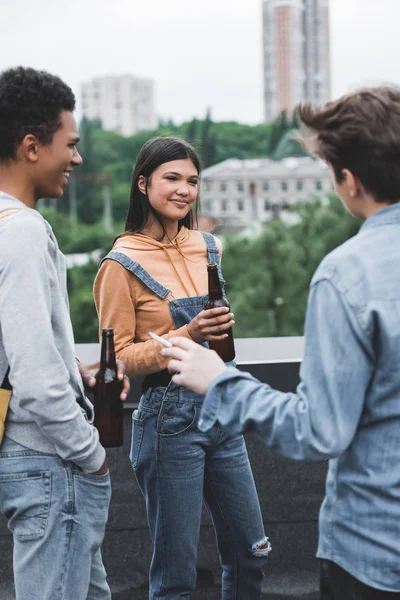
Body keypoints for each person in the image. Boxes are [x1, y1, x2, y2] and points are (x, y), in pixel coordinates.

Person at [160, 87, 400, 599]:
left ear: (349, 181)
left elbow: (319, 431)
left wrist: (222, 383)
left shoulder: (349, 273)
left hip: (377, 554)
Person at [94, 136, 271, 599]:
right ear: (142, 183)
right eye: (171, 178)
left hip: (221, 405)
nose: (184, 190)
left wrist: (218, 327)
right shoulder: (120, 263)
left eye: (192, 181)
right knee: (176, 577)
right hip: (167, 419)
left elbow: (218, 336)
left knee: (252, 552)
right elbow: (120, 359)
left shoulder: (207, 245)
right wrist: (186, 336)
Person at [0, 66, 129, 600]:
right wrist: (90, 456)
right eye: (70, 145)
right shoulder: (24, 232)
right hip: (51, 462)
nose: (77, 158)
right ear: (32, 146)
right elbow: (33, 377)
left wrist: (72, 370)